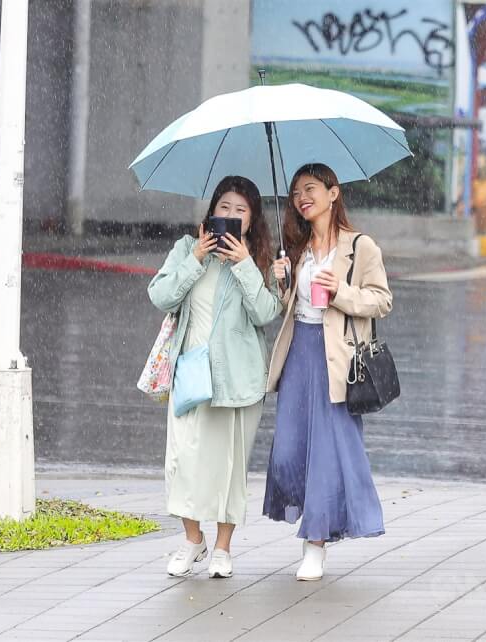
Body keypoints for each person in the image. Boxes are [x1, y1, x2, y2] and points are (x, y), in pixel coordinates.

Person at [147, 175, 282, 579]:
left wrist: (245, 265)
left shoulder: (258, 259)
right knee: (183, 461)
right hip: (190, 373)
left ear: (252, 219)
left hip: (239, 378)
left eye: (241, 210)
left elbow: (265, 313)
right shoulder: (187, 249)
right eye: (225, 208)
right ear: (212, 213)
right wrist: (197, 260)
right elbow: (161, 296)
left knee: (229, 466)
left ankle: (223, 548)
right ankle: (193, 540)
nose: (231, 215)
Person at [263, 163, 392, 581]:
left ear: (334, 194)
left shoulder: (360, 247)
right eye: (297, 191)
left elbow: (381, 301)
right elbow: (286, 308)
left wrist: (341, 293)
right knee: (288, 451)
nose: (303, 197)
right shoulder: (295, 249)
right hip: (299, 351)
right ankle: (318, 518)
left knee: (327, 451)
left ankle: (314, 542)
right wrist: (280, 281)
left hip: (338, 358)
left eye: (312, 188)